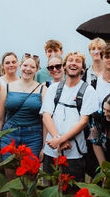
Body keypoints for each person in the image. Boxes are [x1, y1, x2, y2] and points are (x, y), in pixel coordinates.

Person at [40, 52, 98, 182]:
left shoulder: (88, 91)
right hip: (52, 150)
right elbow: (46, 116)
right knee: (51, 190)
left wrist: (60, 140)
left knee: (73, 194)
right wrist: (58, 139)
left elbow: (83, 122)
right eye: (70, 60)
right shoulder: (53, 88)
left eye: (78, 61)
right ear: (65, 66)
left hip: (75, 152)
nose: (73, 63)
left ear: (82, 68)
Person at [0, 54, 46, 178]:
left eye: (32, 67)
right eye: (25, 65)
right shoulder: (7, 88)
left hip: (33, 137)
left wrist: (44, 147)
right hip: (9, 135)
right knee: (10, 177)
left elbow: (45, 121)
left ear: (37, 69)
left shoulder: (42, 89)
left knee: (30, 176)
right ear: (20, 66)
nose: (28, 69)